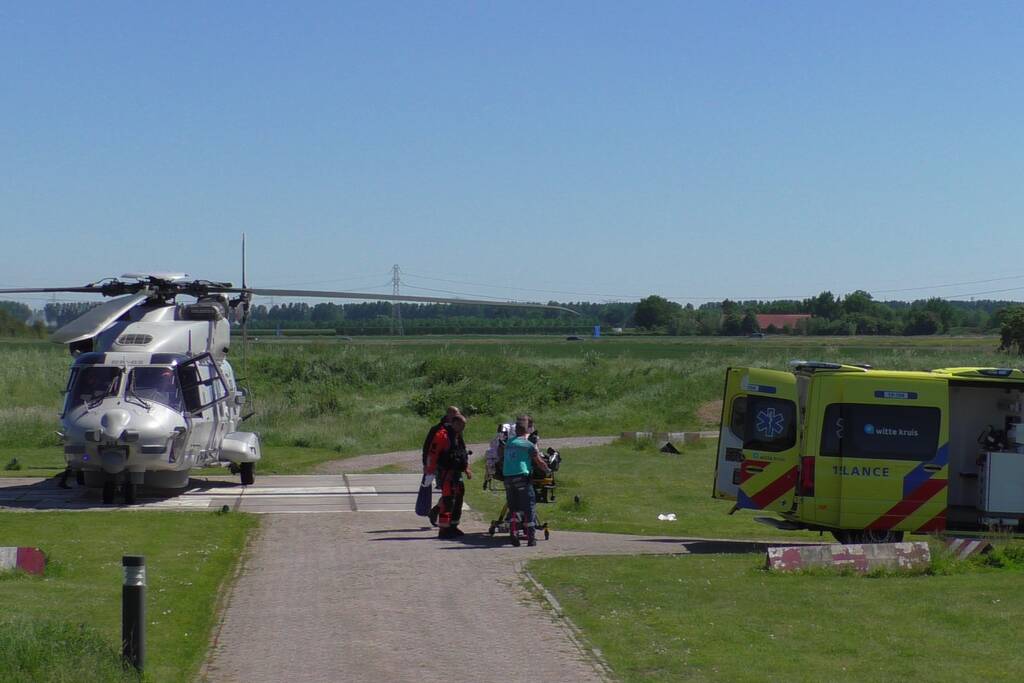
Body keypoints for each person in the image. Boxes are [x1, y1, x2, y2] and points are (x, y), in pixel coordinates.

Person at [503, 415, 551, 546]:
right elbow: (539, 462)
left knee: (513, 507)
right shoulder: (528, 445)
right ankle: (530, 537)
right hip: (521, 477)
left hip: (507, 478)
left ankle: (513, 532)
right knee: (528, 506)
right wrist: (547, 470)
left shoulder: (509, 443)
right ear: (527, 431)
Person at [423, 413, 472, 538]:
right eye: (461, 425)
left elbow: (462, 453)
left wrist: (466, 468)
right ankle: (444, 529)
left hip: (456, 472)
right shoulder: (442, 435)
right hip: (446, 472)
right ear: (455, 423)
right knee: (448, 500)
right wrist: (430, 472)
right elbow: (432, 454)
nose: (463, 428)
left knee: (459, 497)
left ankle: (453, 526)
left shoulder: (458, 436)